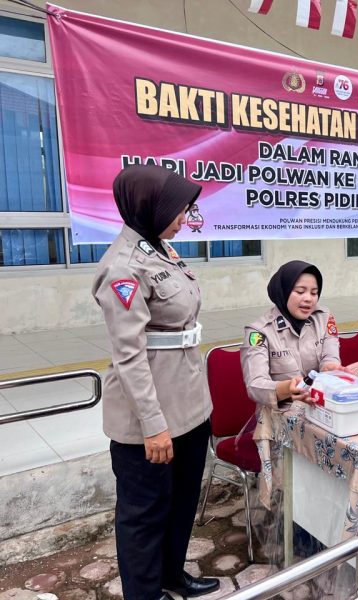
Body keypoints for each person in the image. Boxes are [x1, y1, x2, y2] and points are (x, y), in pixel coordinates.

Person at [92, 165, 219, 600]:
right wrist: (153, 424)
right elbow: (129, 355)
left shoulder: (160, 249)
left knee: (181, 502)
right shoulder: (122, 268)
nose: (184, 218)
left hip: (188, 407)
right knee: (144, 514)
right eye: (177, 209)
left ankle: (171, 575)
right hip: (151, 417)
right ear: (150, 207)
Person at [241, 261, 344, 476]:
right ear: (284, 290)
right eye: (300, 291)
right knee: (292, 485)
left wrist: (331, 367)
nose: (309, 298)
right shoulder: (259, 332)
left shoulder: (324, 318)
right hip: (281, 420)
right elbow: (255, 385)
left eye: (314, 292)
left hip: (319, 412)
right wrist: (287, 388)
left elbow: (330, 355)